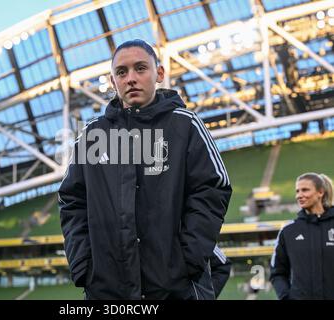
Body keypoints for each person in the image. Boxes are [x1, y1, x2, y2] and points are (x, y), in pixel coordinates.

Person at [58, 39, 232, 300]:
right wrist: (84, 265)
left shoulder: (185, 125)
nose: (131, 78)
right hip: (106, 291)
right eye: (122, 72)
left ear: (159, 73)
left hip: (175, 289)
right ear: (113, 80)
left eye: (140, 68)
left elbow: (213, 188)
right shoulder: (93, 134)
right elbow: (71, 199)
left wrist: (186, 260)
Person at [270, 172, 334, 300]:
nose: (299, 195)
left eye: (305, 190)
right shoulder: (288, 231)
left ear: (320, 192)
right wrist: (285, 297)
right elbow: (277, 273)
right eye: (297, 191)